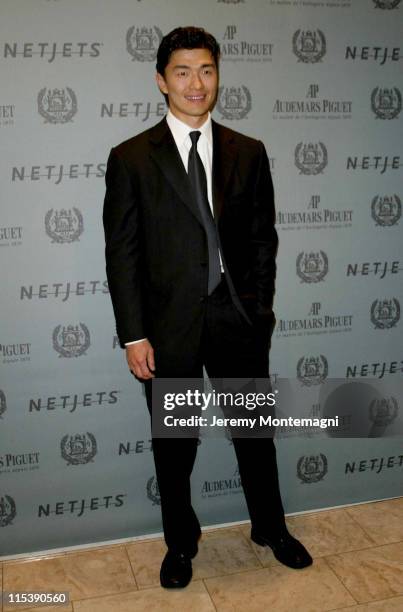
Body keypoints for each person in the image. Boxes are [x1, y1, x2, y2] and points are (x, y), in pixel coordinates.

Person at [103, 26, 312, 589]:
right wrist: (133, 335)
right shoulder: (131, 159)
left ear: (217, 75)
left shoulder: (250, 151)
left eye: (207, 70)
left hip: (237, 322)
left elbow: (264, 241)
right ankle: (180, 544)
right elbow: (121, 255)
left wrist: (259, 310)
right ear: (161, 81)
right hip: (166, 332)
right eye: (182, 72)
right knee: (175, 446)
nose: (196, 83)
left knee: (254, 435)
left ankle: (270, 528)